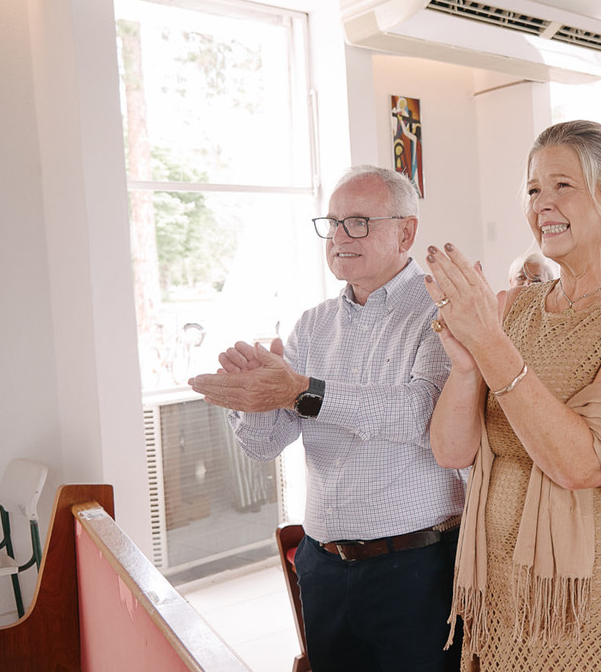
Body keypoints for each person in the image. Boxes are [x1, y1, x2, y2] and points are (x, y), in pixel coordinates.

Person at [426, 119, 601, 670]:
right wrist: (463, 365)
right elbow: (452, 453)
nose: (541, 204)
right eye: (532, 190)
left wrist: (490, 345)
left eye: (562, 186)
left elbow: (580, 463)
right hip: (502, 583)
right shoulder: (517, 309)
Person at [189, 166, 465, 672]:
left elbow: (420, 413)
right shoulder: (313, 324)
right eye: (332, 222)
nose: (339, 236)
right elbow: (265, 444)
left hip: (416, 566)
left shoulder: (441, 310)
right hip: (322, 563)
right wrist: (251, 399)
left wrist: (302, 390)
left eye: (358, 222)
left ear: (406, 231)